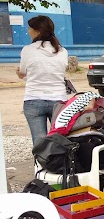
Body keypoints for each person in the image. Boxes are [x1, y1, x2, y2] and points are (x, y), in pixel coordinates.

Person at [17, 15, 69, 144]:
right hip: (59, 101)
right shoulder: (62, 51)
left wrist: (19, 73)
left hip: (33, 98)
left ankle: (41, 164)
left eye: (30, 28)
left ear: (38, 31)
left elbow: (23, 72)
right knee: (60, 140)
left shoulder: (27, 50)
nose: (28, 31)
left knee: (39, 141)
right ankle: (60, 164)